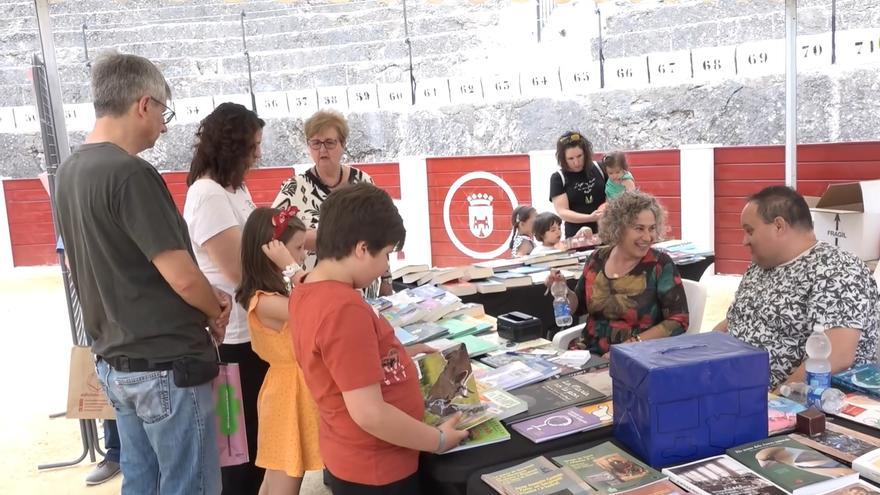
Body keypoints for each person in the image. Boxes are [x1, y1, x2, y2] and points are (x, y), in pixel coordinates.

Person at [54, 52, 229, 494]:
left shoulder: (70, 170)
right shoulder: (130, 174)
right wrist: (216, 308)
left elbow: (79, 264)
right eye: (164, 112)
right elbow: (183, 277)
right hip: (165, 365)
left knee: (142, 482)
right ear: (143, 104)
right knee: (190, 485)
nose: (165, 126)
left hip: (116, 363)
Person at [289, 183, 468, 494]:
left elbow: (338, 361)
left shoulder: (308, 287)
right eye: (386, 255)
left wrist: (399, 352)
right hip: (377, 468)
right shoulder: (342, 307)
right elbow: (370, 413)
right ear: (361, 248)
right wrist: (437, 441)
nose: (386, 266)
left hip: (353, 457)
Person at [715, 186, 880, 390]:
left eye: (750, 231)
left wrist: (773, 402)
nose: (744, 241)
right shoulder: (761, 266)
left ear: (779, 226)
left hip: (790, 402)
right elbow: (735, 319)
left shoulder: (836, 270)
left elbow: (836, 356)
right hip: (728, 386)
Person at [183, 102, 267, 494]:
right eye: (252, 147)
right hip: (232, 343)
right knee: (238, 451)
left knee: (255, 444)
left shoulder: (233, 188)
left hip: (251, 334)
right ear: (233, 147)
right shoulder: (208, 195)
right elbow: (240, 271)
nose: (258, 155)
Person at [236, 207, 322, 495]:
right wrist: (291, 268)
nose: (301, 255)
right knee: (284, 478)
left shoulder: (278, 296)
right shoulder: (265, 302)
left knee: (275, 478)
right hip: (287, 396)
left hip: (293, 390)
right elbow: (315, 308)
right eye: (297, 248)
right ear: (271, 252)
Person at [547, 191, 688, 355]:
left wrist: (632, 345)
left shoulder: (660, 264)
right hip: (587, 354)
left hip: (638, 357)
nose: (648, 237)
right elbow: (578, 307)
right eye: (639, 228)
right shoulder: (597, 259)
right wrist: (563, 291)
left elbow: (679, 321)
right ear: (618, 228)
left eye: (652, 229)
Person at [57, 237, 122, 485]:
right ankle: (115, 453)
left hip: (133, 307)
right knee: (109, 380)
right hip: (102, 307)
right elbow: (70, 258)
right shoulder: (74, 201)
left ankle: (124, 454)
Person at [549, 131, 607, 239]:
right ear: (563, 158)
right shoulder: (558, 178)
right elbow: (562, 211)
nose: (576, 162)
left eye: (579, 156)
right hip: (577, 237)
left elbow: (615, 194)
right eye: (570, 159)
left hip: (607, 232)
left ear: (586, 153)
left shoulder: (600, 168)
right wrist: (590, 218)